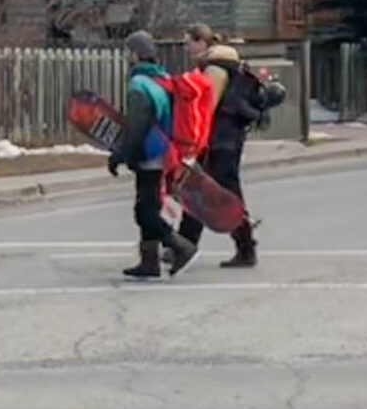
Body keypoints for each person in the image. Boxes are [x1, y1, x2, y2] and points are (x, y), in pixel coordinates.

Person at [109, 31, 196, 281]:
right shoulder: (162, 78)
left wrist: (122, 154)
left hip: (149, 153)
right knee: (149, 206)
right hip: (165, 149)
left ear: (135, 54)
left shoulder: (139, 85)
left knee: (144, 211)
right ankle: (149, 261)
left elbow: (137, 126)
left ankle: (181, 247)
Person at [178, 22, 258, 268]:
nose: (186, 47)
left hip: (219, 140)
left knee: (219, 192)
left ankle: (244, 246)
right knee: (200, 189)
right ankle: (184, 245)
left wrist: (194, 137)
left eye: (188, 42)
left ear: (202, 42)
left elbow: (206, 107)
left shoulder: (216, 69)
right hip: (227, 137)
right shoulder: (228, 64)